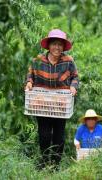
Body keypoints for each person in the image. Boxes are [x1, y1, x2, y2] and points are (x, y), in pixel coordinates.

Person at [25, 29, 79, 167]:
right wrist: (29, 83)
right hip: (42, 102)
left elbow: (75, 77)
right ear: (49, 45)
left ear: (63, 47)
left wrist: (73, 87)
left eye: (60, 44)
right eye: (54, 44)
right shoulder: (38, 60)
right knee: (44, 135)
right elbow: (30, 75)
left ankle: (55, 164)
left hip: (61, 104)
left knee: (59, 136)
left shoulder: (68, 61)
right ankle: (44, 162)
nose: (57, 47)